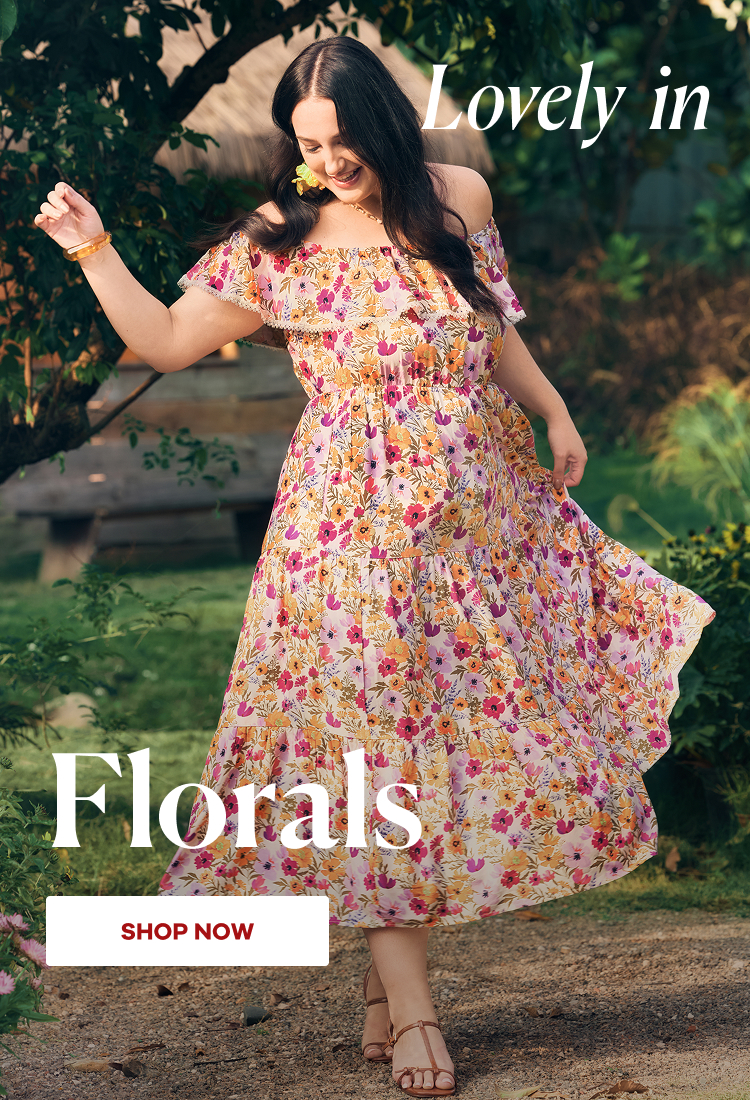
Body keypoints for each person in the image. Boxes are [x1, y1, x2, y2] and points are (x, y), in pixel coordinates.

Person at [34, 35, 715, 1098]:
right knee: (378, 755)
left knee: (455, 743)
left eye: (343, 140)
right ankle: (417, 1016)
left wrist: (555, 410)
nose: (328, 163)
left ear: (386, 123)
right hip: (347, 539)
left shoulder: (459, 200)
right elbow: (163, 340)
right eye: (309, 145)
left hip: (474, 530)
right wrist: (93, 250)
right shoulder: (283, 238)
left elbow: (490, 324)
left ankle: (380, 988)